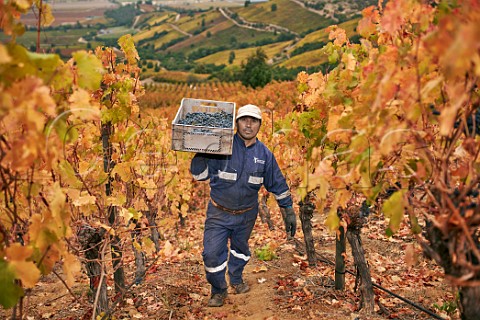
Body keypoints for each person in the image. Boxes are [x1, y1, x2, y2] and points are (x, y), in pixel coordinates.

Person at [190, 104, 297, 307]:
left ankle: (236, 279)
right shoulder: (221, 146)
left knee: (240, 250)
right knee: (211, 254)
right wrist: (201, 153)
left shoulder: (264, 155)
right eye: (244, 120)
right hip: (219, 213)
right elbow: (199, 176)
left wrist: (288, 209)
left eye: (253, 121)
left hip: (247, 214)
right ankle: (218, 289)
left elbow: (277, 182)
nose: (248, 125)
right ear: (236, 123)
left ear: (259, 125)